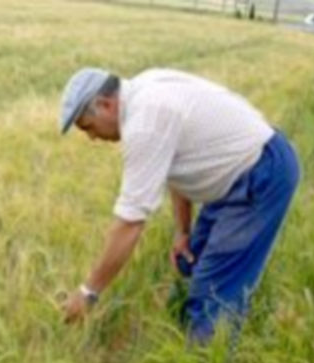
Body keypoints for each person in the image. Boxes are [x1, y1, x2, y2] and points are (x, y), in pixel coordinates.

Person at [57, 68, 300, 345]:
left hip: (260, 173)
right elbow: (176, 164)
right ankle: (190, 345)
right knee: (190, 262)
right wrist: (182, 231)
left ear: (106, 104)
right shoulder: (144, 87)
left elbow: (130, 223)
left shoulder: (145, 122)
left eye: (87, 127)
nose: (91, 138)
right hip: (237, 170)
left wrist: (89, 291)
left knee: (214, 294)